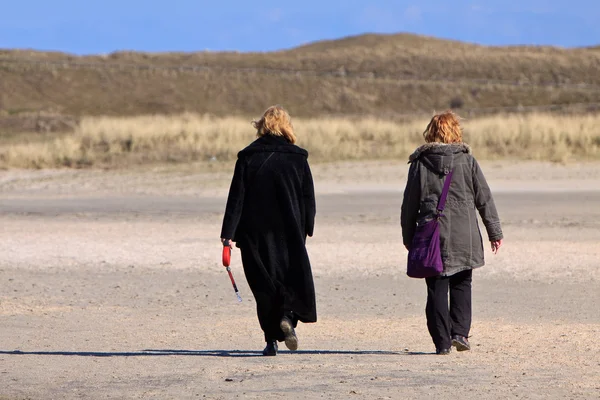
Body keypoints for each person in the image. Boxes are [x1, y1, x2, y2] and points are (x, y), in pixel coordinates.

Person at [401, 111, 503, 355]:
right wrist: (494, 232)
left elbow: (409, 205)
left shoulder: (419, 163)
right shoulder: (467, 161)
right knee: (462, 283)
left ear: (431, 132)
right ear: (456, 132)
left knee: (436, 286)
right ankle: (460, 333)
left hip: (430, 236)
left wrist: (409, 237)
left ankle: (442, 343)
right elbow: (484, 199)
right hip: (463, 233)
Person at [220, 105, 317, 356]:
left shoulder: (247, 157)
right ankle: (286, 317)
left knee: (263, 284)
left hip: (253, 233)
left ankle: (271, 340)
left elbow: (236, 198)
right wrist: (307, 228)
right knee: (288, 278)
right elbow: (308, 198)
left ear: (262, 126)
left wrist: (227, 233)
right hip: (290, 230)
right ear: (287, 126)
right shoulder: (298, 157)